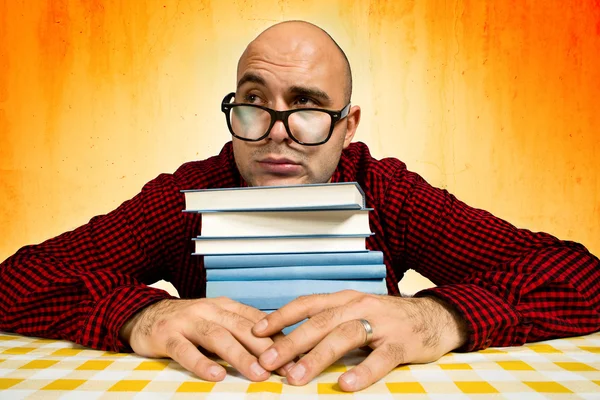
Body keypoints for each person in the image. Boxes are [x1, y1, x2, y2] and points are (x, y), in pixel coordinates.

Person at [1, 20, 599, 392]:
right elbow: (18, 280)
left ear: (348, 125)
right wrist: (140, 316)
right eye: (255, 100)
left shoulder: (388, 193)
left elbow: (581, 276)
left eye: (308, 105)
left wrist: (439, 317)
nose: (276, 131)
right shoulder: (187, 197)